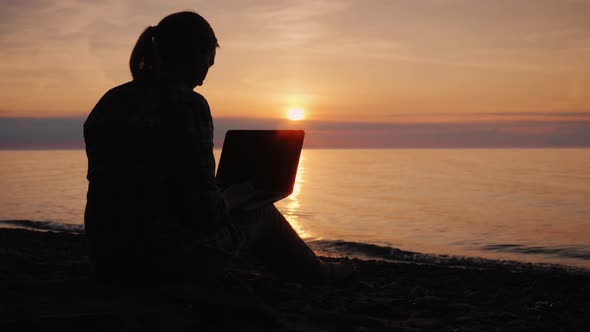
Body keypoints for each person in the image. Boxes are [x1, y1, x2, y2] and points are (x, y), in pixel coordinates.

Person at [84, 11, 351, 285]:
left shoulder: (111, 101)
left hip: (106, 259)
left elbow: (143, 186)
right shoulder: (186, 104)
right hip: (161, 264)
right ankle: (320, 275)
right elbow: (205, 215)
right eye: (207, 66)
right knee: (261, 213)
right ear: (198, 53)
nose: (203, 79)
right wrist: (236, 195)